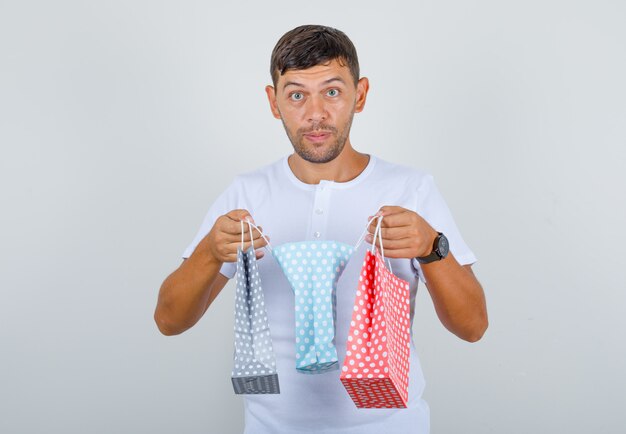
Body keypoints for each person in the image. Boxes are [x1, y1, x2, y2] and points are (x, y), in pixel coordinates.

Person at [154, 24, 488, 434]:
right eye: (296, 95)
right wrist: (209, 251)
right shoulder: (247, 194)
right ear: (273, 102)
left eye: (332, 92)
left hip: (390, 426)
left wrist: (432, 247)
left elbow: (472, 327)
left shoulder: (410, 189)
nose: (315, 114)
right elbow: (169, 321)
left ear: (359, 95)